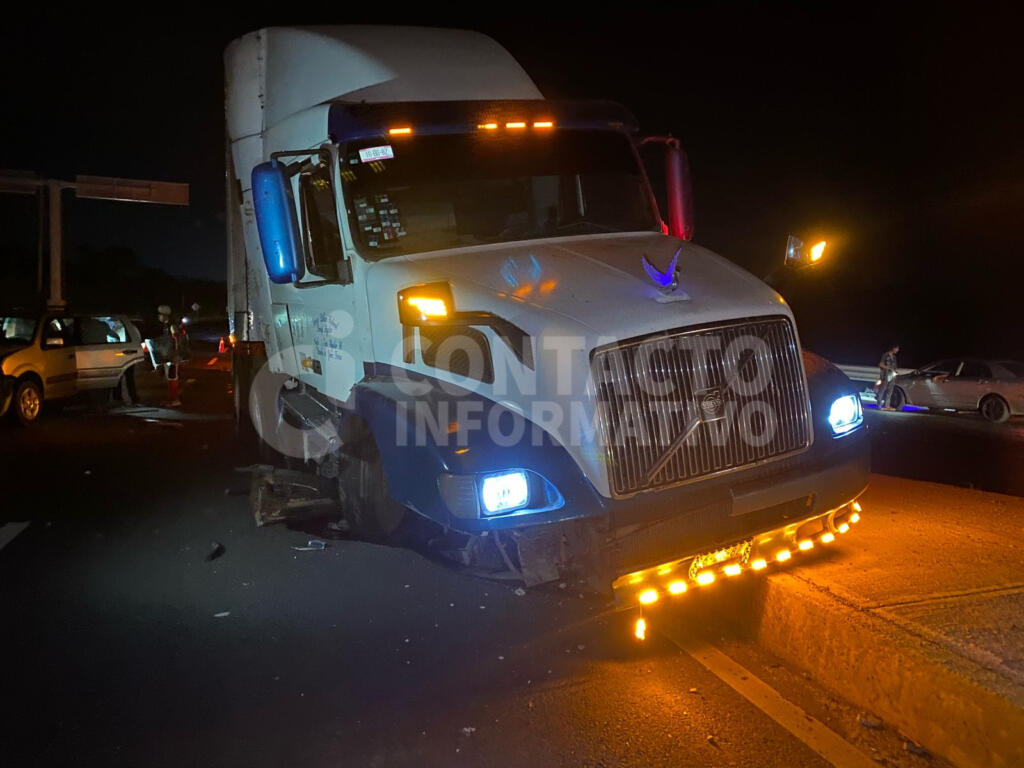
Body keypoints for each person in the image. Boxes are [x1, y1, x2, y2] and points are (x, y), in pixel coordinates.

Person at [877, 343, 900, 410]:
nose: (897, 350)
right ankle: (879, 405)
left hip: (892, 376)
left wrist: (895, 371)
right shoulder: (885, 355)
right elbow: (880, 364)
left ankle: (887, 406)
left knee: (890, 391)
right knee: (882, 390)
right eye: (897, 349)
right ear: (893, 348)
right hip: (885, 375)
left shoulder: (894, 357)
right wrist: (888, 368)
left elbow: (895, 367)